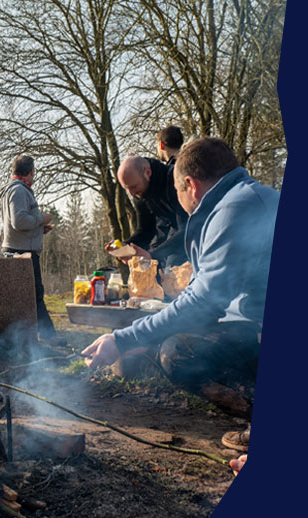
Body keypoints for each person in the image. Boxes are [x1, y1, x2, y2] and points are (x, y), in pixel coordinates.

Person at [83, 137, 278, 404]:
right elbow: (204, 294)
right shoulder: (241, 200)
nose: (177, 196)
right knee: (173, 340)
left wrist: (124, 339)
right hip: (251, 321)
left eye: (177, 190)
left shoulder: (235, 210)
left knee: (177, 354)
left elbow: (203, 302)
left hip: (257, 327)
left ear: (191, 185)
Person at [0, 154, 59, 344]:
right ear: (31, 171)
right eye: (34, 172)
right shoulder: (18, 190)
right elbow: (19, 221)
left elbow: (21, 223)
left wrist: (40, 229)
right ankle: (49, 337)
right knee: (36, 295)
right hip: (22, 253)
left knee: (26, 297)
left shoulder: (15, 189)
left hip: (18, 249)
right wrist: (42, 219)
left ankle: (23, 338)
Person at [111, 155, 189, 268]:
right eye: (126, 189)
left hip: (190, 243)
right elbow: (145, 230)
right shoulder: (139, 191)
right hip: (165, 243)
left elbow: (186, 230)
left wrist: (152, 255)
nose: (131, 193)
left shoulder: (174, 181)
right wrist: (125, 247)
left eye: (133, 187)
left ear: (148, 172)